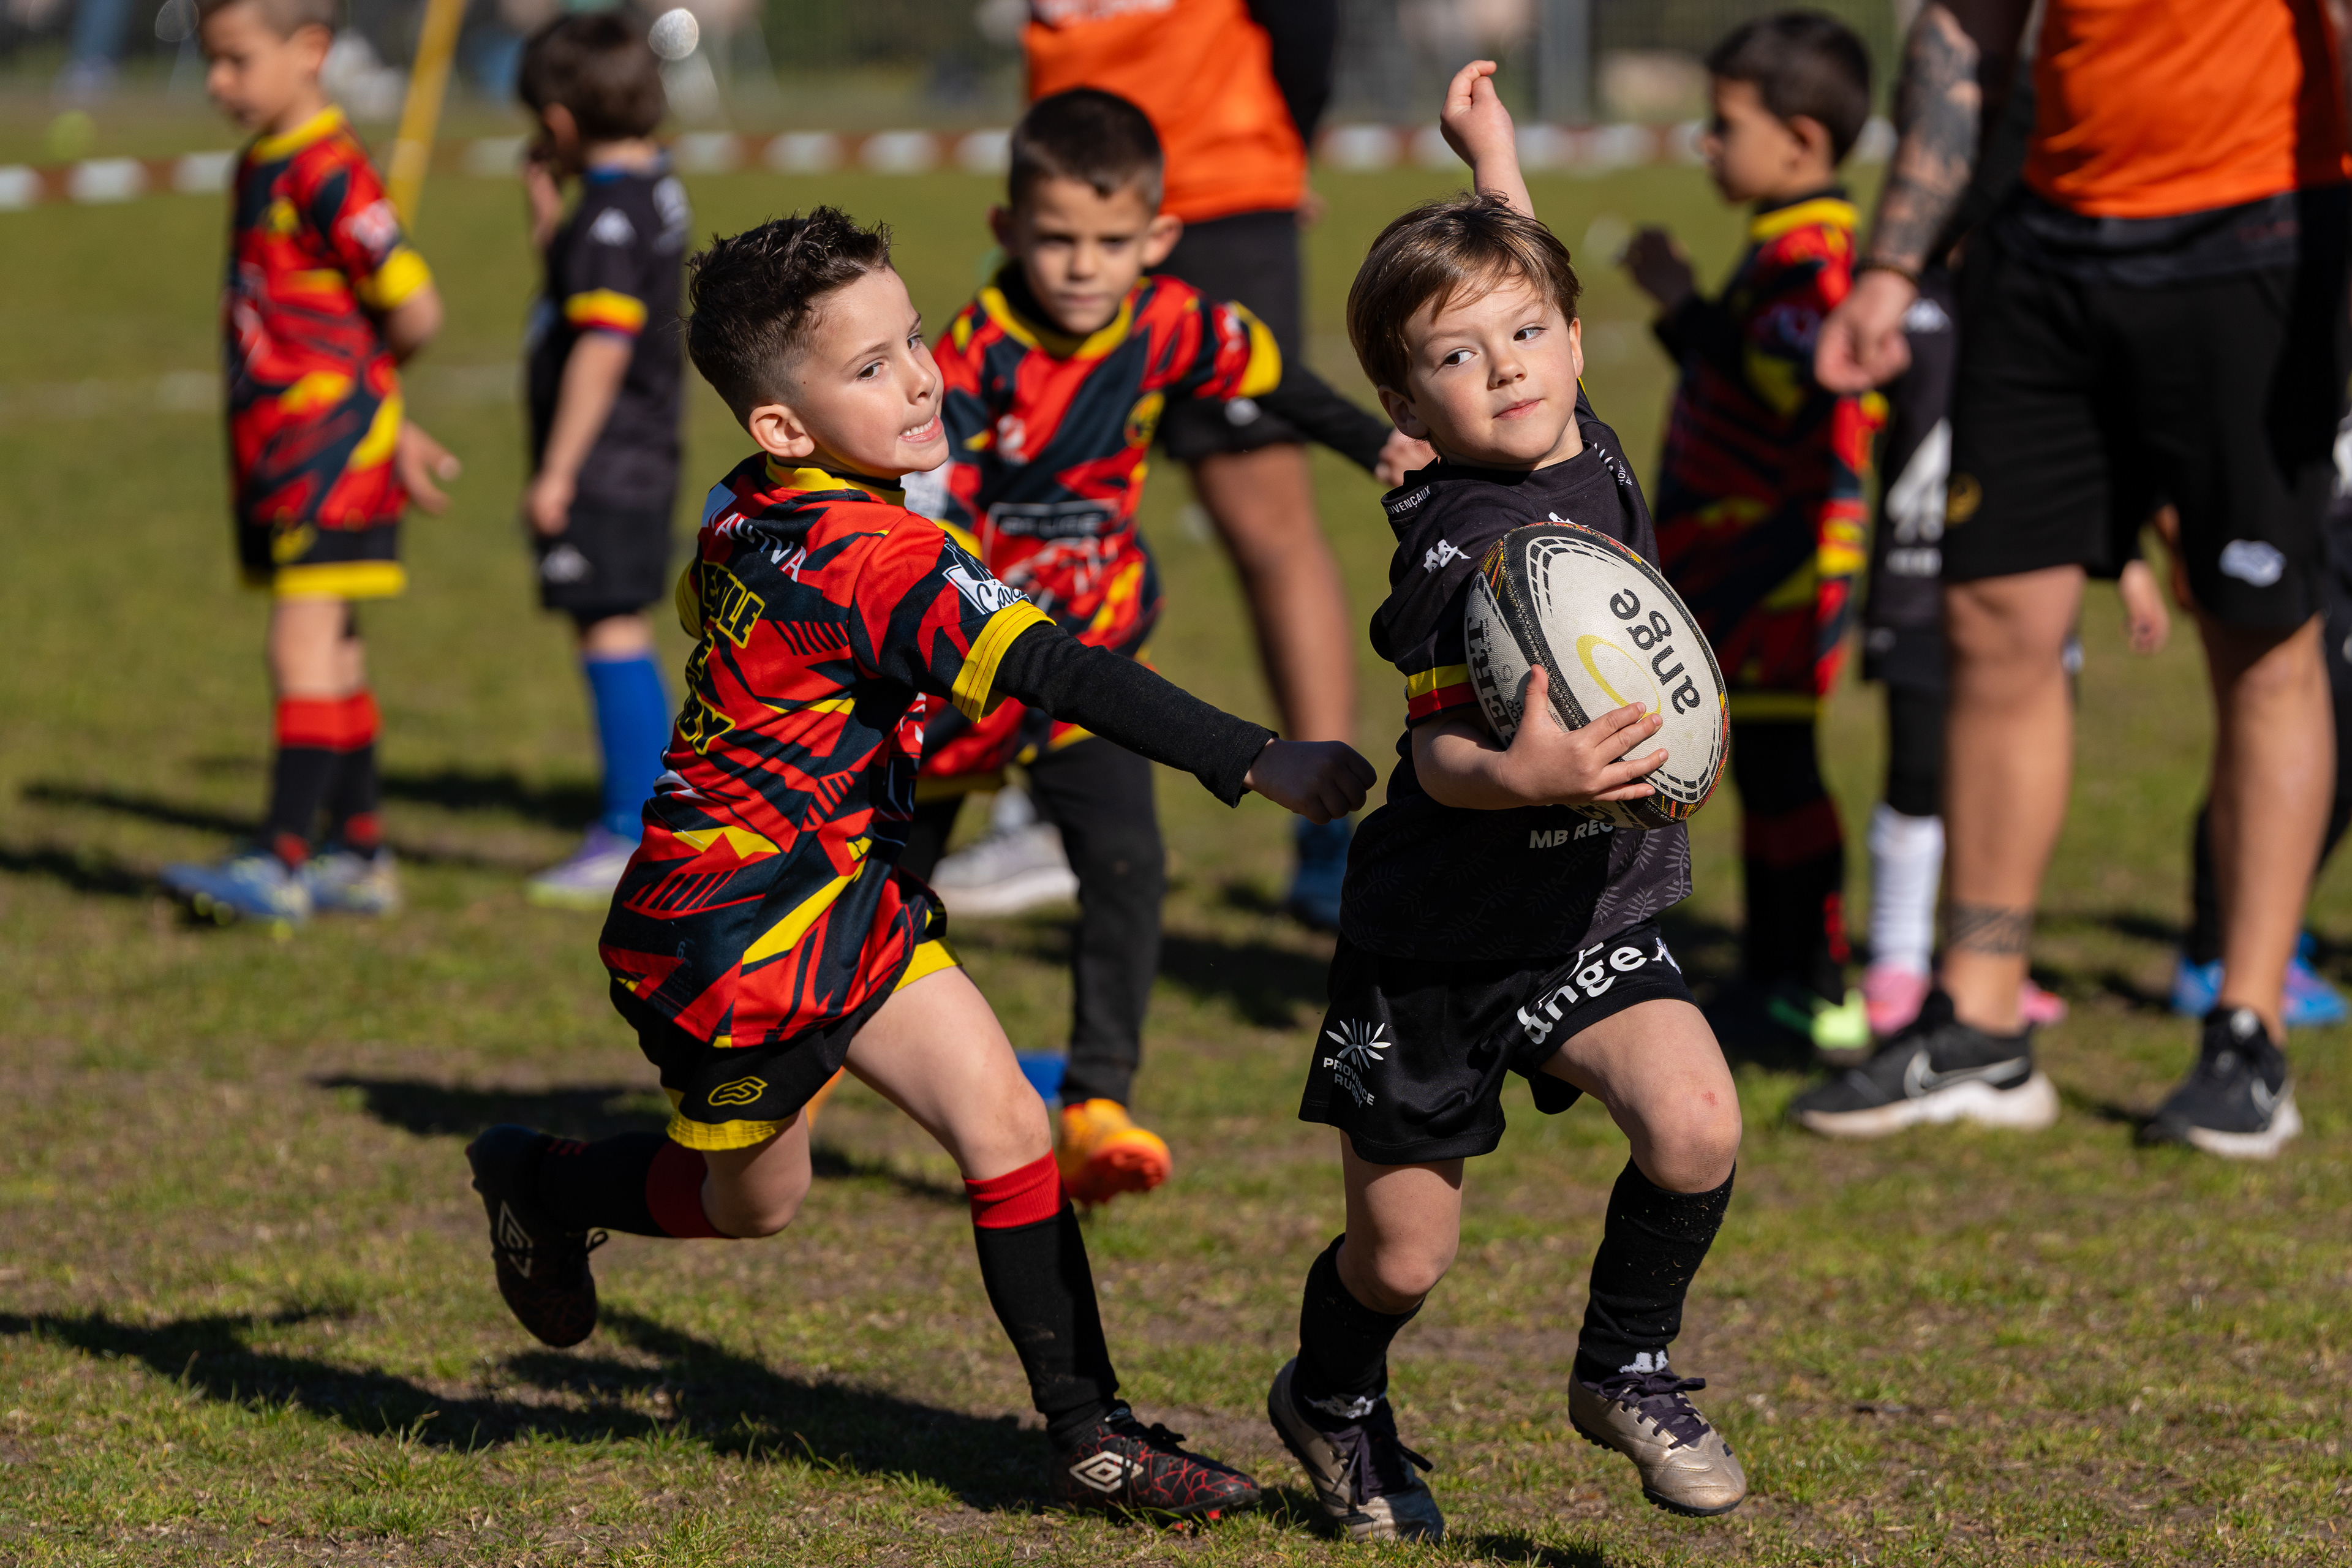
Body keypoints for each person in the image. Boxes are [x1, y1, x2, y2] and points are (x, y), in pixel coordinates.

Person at [461, 208, 1378, 1512]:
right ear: (784, 424)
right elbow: (1061, 670)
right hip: (728, 937)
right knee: (754, 1203)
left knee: (1002, 1122)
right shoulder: (884, 556)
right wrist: (1257, 755)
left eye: (914, 341)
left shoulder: (745, 501)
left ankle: (1093, 1432)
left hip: (843, 893)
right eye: (871, 366)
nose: (920, 380)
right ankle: (540, 1180)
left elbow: (710, 606)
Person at [1261, 65, 1746, 1542]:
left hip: (1589, 911)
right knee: (1402, 1258)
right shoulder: (1449, 546)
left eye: (1533, 336)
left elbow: (1518, 275)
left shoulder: (1579, 431)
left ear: (1576, 339)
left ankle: (1626, 1367)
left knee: (1696, 1124)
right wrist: (1521, 773)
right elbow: (1434, 760)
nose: (1511, 367)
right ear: (1408, 405)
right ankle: (1330, 1394)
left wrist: (1495, 156)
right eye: (1459, 359)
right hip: (1440, 939)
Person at [1804, 0, 2349, 1156]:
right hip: (2046, 246)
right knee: (1993, 620)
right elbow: (1968, 32)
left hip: (2260, 236)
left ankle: (2247, 1028)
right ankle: (1981, 1022)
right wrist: (1895, 262)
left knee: (2260, 631)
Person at [900, 87, 1420, 1208]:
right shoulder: (972, 358)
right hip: (970, 671)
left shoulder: (1173, 321)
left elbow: (1273, 378)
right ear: (1007, 230)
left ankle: (1098, 1103)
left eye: (1109, 242)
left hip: (1095, 669)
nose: (1083, 267)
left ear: (1157, 237)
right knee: (888, 891)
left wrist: (1377, 446)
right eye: (1056, 240)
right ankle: (808, 1048)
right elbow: (926, 505)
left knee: (1129, 869)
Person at [1020, 0, 1386, 929]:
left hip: (1215, 189)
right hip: (1068, 186)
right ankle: (1039, 806)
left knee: (1266, 525)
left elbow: (1306, 24)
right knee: (1037, 515)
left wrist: (1279, 146)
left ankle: (1327, 835)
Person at [162, 0, 458, 930]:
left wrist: (366, 403)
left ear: (311, 51)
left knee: (299, 645)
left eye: (237, 60)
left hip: (325, 458)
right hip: (287, 455)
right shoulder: (262, 160)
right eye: (211, 61)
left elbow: (415, 308)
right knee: (333, 649)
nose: (218, 82)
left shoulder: (329, 170)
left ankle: (282, 857)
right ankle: (360, 853)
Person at [1621, 13, 1882, 1054]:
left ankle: (1811, 977)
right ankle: (1775, 971)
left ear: (1802, 141)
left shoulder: (1817, 255)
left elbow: (1785, 382)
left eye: (1726, 124)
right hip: (1742, 554)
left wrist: (1683, 305)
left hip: (1780, 558)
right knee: (1764, 765)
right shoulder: (1783, 242)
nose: (1707, 142)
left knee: (1781, 767)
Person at [510, 13, 692, 910]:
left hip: (607, 461)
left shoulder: (609, 219)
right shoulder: (652, 187)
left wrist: (558, 472)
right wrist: (552, 222)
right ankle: (649, 815)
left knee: (609, 627)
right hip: (643, 451)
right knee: (618, 623)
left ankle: (634, 830)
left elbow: (603, 346)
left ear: (560, 123)